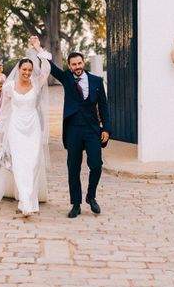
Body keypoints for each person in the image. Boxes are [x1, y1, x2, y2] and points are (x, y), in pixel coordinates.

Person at [30, 36, 112, 218]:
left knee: (96, 165)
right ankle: (75, 204)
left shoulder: (97, 81)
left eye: (79, 63)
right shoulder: (66, 78)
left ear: (83, 63)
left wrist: (106, 128)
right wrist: (38, 48)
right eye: (73, 64)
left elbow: (104, 107)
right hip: (73, 130)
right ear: (69, 66)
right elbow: (50, 65)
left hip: (92, 130)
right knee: (73, 168)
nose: (77, 67)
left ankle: (91, 196)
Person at [0, 40, 51, 216]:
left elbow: (46, 69)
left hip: (33, 127)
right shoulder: (9, 87)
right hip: (16, 127)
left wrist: (38, 49)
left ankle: (30, 199)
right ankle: (25, 202)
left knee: (32, 163)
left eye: (30, 70)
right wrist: (1, 138)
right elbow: (4, 112)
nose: (27, 73)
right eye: (24, 69)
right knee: (21, 164)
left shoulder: (36, 83)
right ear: (19, 69)